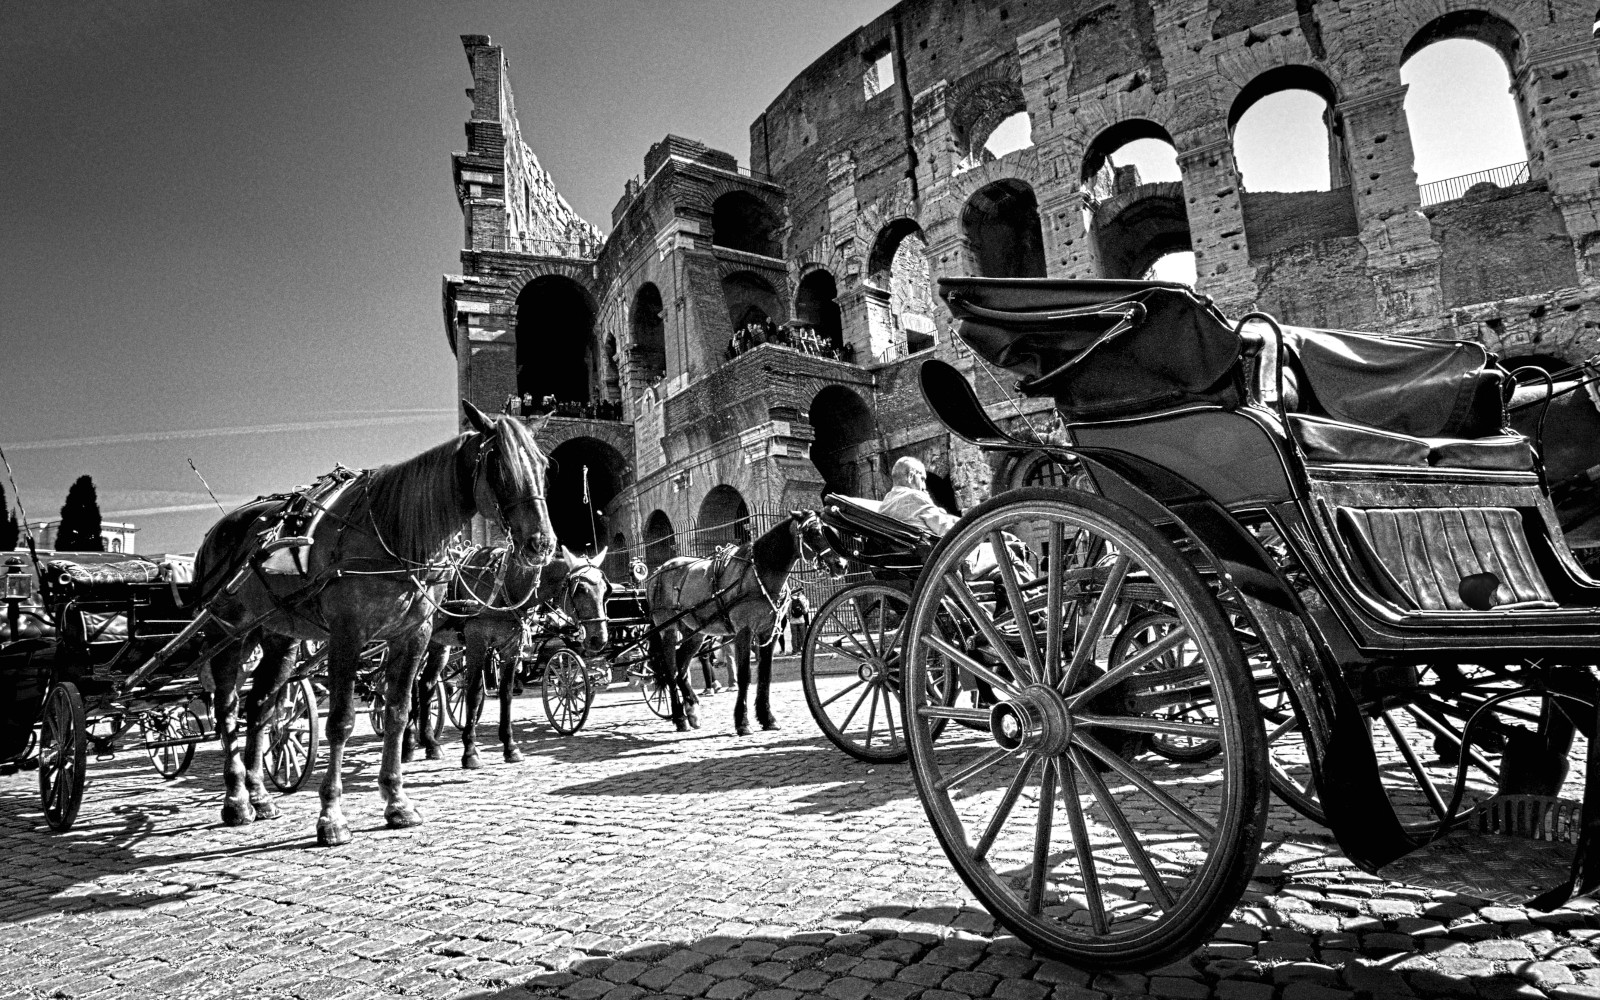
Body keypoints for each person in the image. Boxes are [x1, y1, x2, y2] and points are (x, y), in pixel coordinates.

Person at [880, 456, 958, 536]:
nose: (924, 486)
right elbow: (945, 528)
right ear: (910, 476)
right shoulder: (915, 496)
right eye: (922, 479)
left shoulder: (885, 503)